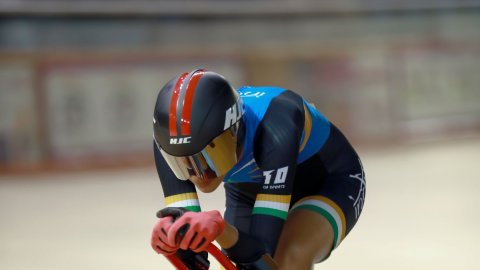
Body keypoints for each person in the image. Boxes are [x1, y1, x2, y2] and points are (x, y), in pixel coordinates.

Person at [150, 69, 366, 270]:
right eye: (181, 163)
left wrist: (221, 229)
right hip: (250, 189)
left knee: (290, 256)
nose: (198, 175)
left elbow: (264, 256)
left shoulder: (276, 127)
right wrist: (174, 242)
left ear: (234, 133)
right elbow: (195, 256)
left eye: (208, 158)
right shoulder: (171, 139)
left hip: (327, 180)